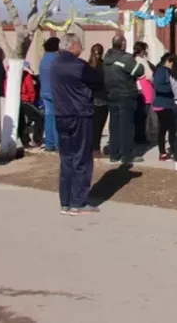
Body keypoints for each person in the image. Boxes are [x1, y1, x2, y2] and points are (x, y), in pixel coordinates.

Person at [51, 32, 103, 215]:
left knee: (66, 158)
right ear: (72, 46)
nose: (81, 49)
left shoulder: (55, 64)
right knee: (81, 158)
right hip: (79, 115)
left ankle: (65, 200)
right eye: (80, 45)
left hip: (61, 115)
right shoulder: (79, 66)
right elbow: (98, 81)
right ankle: (78, 202)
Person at [103, 34, 145, 165]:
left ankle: (114, 154)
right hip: (126, 94)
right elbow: (139, 71)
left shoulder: (106, 58)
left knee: (114, 126)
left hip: (111, 94)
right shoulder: (126, 58)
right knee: (126, 126)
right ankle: (127, 156)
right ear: (122, 44)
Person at [152, 53, 176, 161]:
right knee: (171, 128)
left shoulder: (165, 71)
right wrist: (172, 88)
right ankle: (175, 152)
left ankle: (162, 153)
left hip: (165, 104)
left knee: (163, 129)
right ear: (168, 61)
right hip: (163, 105)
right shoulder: (161, 71)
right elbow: (158, 87)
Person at [87, 44, 109, 158]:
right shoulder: (103, 66)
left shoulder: (88, 65)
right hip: (102, 98)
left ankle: (91, 148)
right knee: (98, 126)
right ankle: (95, 149)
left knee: (91, 126)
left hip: (90, 99)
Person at [132, 41, 154, 146]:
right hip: (145, 88)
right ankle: (141, 137)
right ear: (143, 51)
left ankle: (137, 135)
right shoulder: (142, 61)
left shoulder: (132, 59)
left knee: (137, 114)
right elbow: (149, 75)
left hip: (136, 88)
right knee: (143, 114)